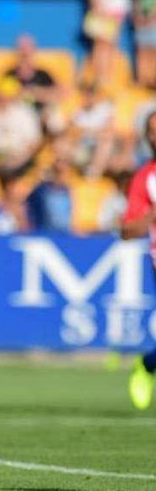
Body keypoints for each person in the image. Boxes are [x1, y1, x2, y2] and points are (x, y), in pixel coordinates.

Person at [119, 110, 156, 411]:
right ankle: (147, 365)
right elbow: (128, 231)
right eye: (153, 131)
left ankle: (148, 362)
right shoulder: (146, 178)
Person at [133, 0, 156, 87]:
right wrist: (140, 18)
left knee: (153, 55)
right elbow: (136, 11)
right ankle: (142, 80)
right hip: (141, 28)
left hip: (153, 27)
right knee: (142, 54)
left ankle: (152, 80)